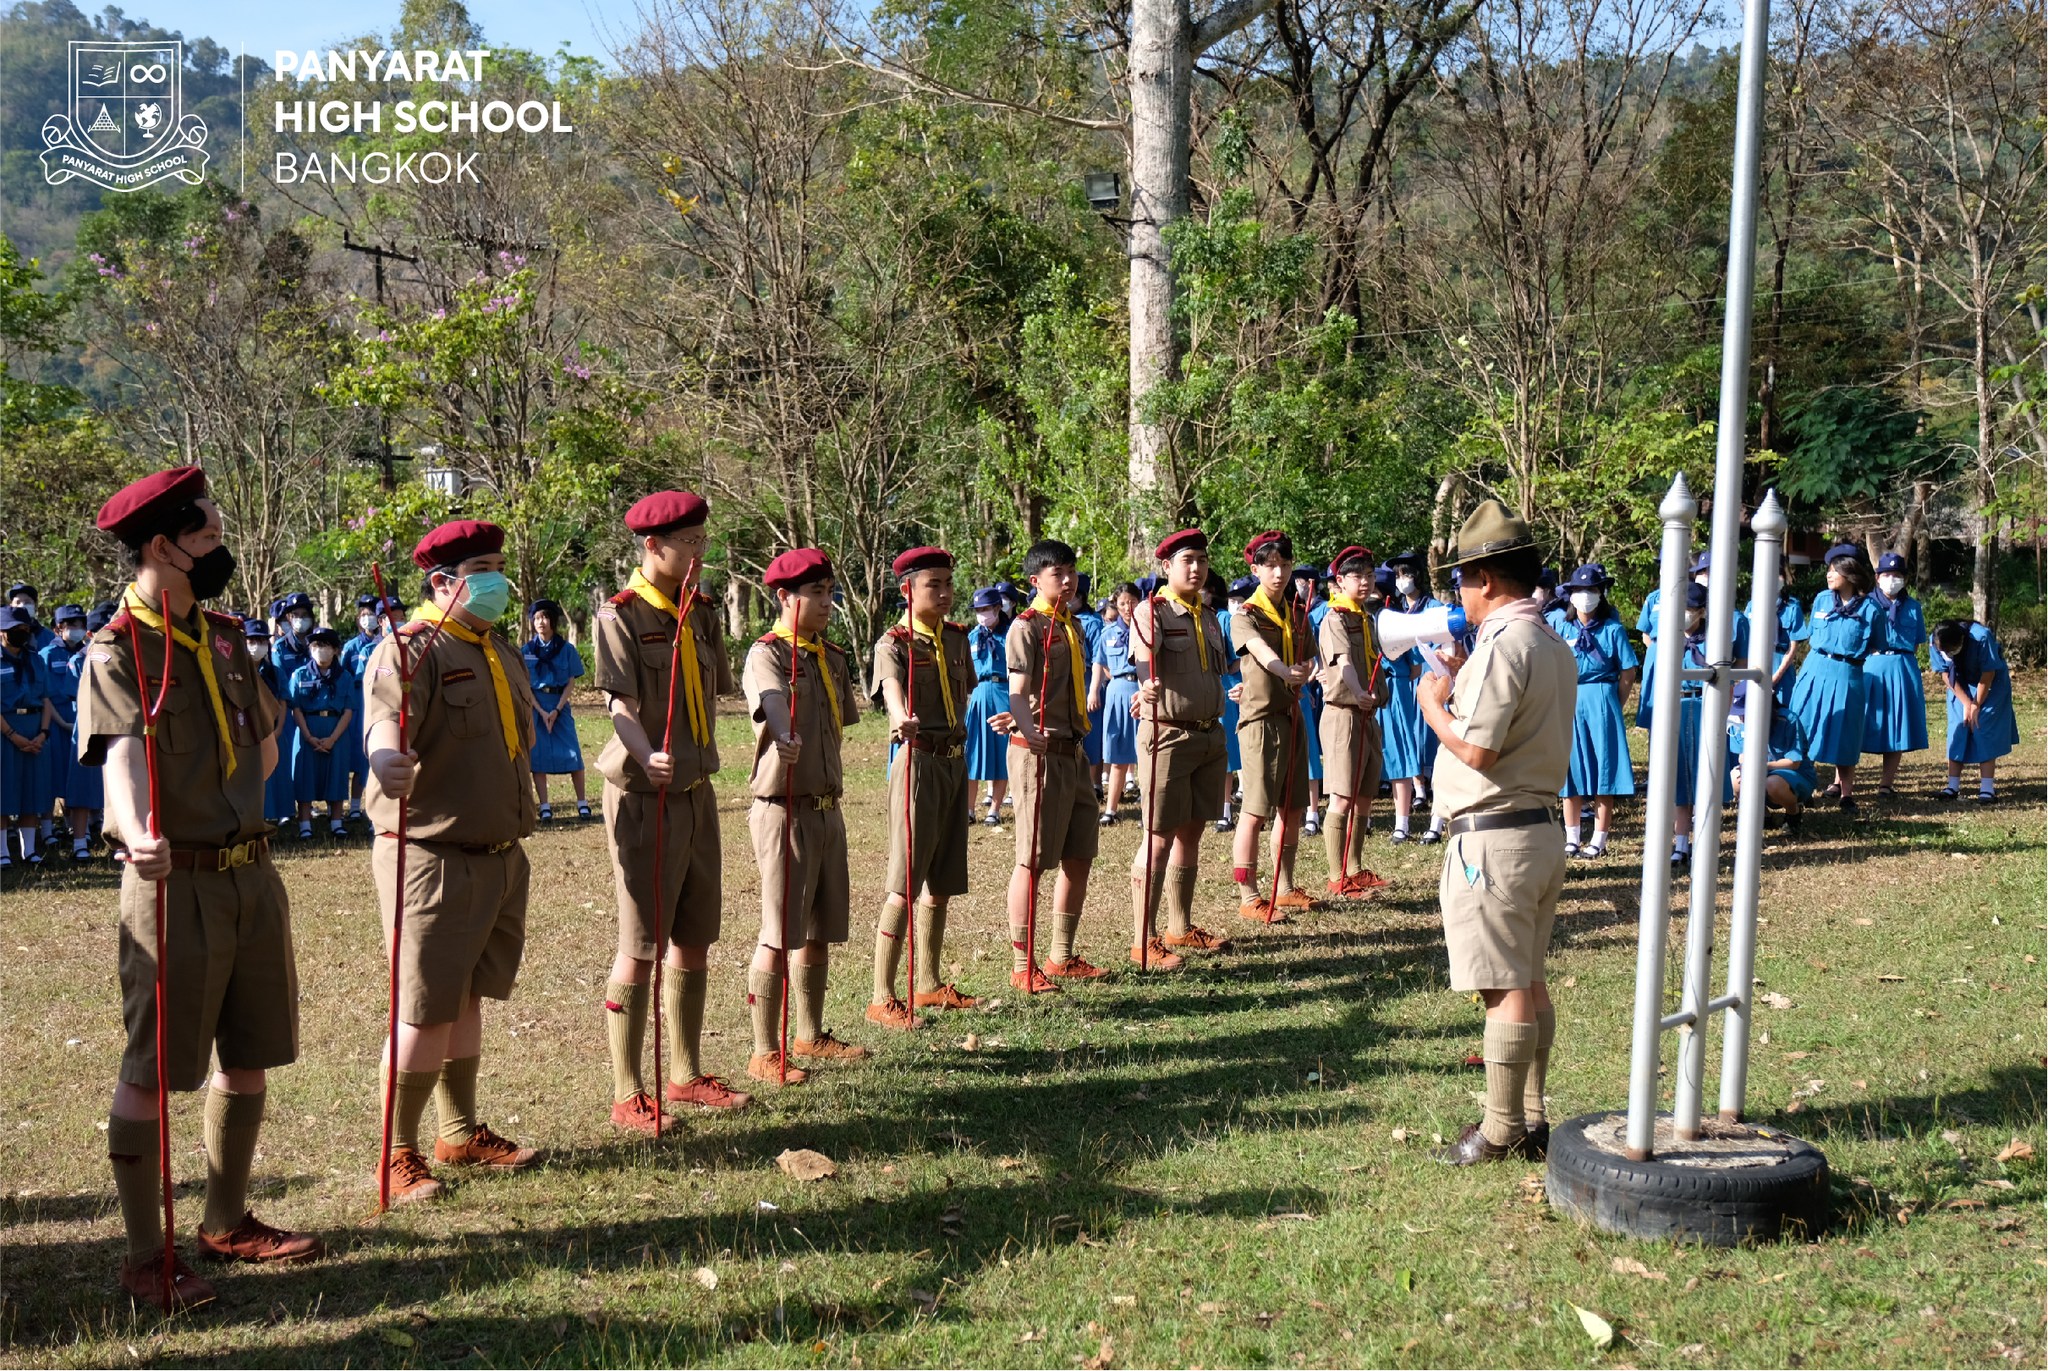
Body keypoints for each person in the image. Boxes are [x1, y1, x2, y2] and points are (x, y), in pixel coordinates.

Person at [81, 465, 320, 1310]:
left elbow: (263, 733)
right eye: (209, 535)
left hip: (250, 872)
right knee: (153, 1070)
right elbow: (120, 756)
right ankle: (148, 1255)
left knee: (249, 1053)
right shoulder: (116, 648)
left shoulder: (222, 637)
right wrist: (138, 828)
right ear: (160, 545)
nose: (221, 547)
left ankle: (226, 1218)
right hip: (172, 877)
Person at [365, 518, 544, 1204]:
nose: (499, 577)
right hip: (431, 857)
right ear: (443, 582)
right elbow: (384, 720)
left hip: (497, 854)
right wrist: (386, 757)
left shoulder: (496, 649)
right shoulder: (411, 651)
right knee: (422, 1011)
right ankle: (396, 1153)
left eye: (500, 563)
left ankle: (460, 1131)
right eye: (483, 566)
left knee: (467, 999)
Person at [1415, 500, 1576, 1166]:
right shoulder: (1549, 641)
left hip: (1493, 837)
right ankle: (1531, 1117)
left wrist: (1433, 705)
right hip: (1536, 827)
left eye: (1463, 578)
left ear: (1486, 577)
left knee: (1503, 987)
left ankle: (1501, 1128)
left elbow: (1477, 750)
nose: (1460, 592)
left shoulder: (1504, 646)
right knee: (1528, 979)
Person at [591, 491, 752, 1130]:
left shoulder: (701, 613)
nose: (698, 554)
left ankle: (684, 1074)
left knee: (693, 935)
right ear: (653, 546)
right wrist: (643, 753)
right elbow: (619, 706)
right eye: (688, 543)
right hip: (642, 795)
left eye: (703, 542)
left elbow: (715, 692)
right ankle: (629, 1090)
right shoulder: (621, 615)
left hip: (694, 790)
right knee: (641, 942)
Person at [741, 548, 868, 1083]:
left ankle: (810, 1034)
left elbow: (845, 721)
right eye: (816, 594)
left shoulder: (831, 656)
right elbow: (771, 698)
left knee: (820, 926)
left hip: (825, 807)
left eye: (829, 593)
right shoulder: (766, 654)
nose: (827, 603)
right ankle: (763, 1049)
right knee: (779, 930)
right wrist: (782, 731)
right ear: (784, 598)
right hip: (783, 809)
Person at [866, 545, 980, 1026]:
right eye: (934, 584)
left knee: (942, 882)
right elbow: (891, 689)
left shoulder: (956, 639)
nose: (945, 593)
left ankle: (929, 983)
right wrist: (900, 718)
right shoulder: (894, 644)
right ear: (906, 589)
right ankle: (882, 995)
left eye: (949, 584)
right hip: (918, 763)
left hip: (956, 763)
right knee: (905, 883)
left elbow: (966, 692)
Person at [1125, 529, 1236, 970]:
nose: (1196, 567)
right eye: (1187, 559)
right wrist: (1144, 686)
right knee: (1158, 837)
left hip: (1209, 735)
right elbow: (1143, 665)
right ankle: (1142, 940)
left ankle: (1179, 926)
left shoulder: (1208, 616)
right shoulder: (1149, 611)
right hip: (1167, 735)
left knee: (1192, 831)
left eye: (1203, 560)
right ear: (1166, 567)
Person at [1004, 540, 1105, 989]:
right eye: (1057, 574)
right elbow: (1017, 689)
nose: (1068, 581)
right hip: (1037, 752)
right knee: (1032, 859)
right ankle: (1022, 964)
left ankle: (1062, 955)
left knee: (1079, 853)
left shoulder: (1074, 627)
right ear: (1035, 582)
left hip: (1073, 751)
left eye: (1071, 572)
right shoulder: (1026, 628)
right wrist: (1026, 726)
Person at [1229, 531, 1319, 921]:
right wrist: (1286, 671)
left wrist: (1305, 672)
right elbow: (1259, 650)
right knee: (1255, 810)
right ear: (1256, 570)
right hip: (1261, 720)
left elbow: (1312, 659)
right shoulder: (1246, 614)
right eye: (1270, 566)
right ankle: (1249, 894)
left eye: (1284, 565)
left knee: (1293, 806)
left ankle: (1283, 886)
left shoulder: (1298, 613)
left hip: (1292, 716)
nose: (1279, 573)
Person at [1316, 547, 1391, 897]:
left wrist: (1376, 694)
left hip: (1367, 714)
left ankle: (1355, 868)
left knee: (1363, 796)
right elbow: (1344, 662)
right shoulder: (1334, 618)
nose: (1365, 582)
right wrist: (1359, 690)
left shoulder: (1367, 617)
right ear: (1339, 581)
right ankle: (1336, 876)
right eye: (1357, 576)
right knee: (1342, 797)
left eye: (1370, 575)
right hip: (1344, 714)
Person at [1788, 543, 1882, 814]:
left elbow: (1877, 643)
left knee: (1846, 732)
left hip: (1848, 673)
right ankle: (1802, 785)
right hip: (1815, 669)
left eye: (1834, 571)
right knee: (1802, 728)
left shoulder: (1870, 610)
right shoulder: (1820, 600)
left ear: (1849, 573)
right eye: (1828, 570)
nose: (1828, 575)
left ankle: (1846, 794)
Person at [1554, 564, 1637, 859]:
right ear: (1571, 595)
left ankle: (1598, 839)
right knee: (1571, 769)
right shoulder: (1561, 628)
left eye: (1591, 590)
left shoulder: (1612, 629)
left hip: (1602, 697)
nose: (1585, 596)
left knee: (1604, 770)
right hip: (1570, 699)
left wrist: (1616, 701)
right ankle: (1572, 836)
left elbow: (1628, 670)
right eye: (1579, 591)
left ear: (1601, 594)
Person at [1379, 549, 1441, 844]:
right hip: (1402, 689)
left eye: (1407, 573)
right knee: (1404, 747)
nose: (1402, 580)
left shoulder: (1434, 608)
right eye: (1398, 575)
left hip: (1431, 682)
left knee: (1433, 746)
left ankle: (1437, 814)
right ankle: (1415, 797)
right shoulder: (1393, 612)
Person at [1930, 618, 2018, 804]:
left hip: (1990, 684)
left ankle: (1987, 789)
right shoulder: (1936, 640)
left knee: (1983, 726)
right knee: (1958, 727)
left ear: (1960, 640)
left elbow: (1989, 673)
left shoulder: (1981, 637)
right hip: (1959, 685)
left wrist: (1976, 704)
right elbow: (1946, 674)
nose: (1946, 653)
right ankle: (1952, 786)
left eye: (1950, 650)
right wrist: (1966, 703)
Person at [1863, 552, 1929, 796]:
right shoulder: (1866, 603)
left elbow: (1916, 643)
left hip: (1902, 667)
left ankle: (1886, 783)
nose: (1892, 579)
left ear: (1905, 579)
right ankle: (1840, 782)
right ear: (1878, 577)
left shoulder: (1913, 607)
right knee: (1858, 722)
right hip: (1871, 666)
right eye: (1887, 574)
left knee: (1897, 725)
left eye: (1898, 575)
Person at [523, 599, 591, 822]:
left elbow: (571, 681)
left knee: (573, 752)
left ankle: (582, 803)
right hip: (537, 706)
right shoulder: (527, 651)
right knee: (538, 755)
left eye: (544, 617)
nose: (540, 622)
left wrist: (557, 709)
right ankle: (545, 807)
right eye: (536, 618)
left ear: (552, 620)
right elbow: (525, 684)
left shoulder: (566, 649)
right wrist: (541, 711)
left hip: (560, 704)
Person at [0, 605, 55, 868]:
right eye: (14, 630)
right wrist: (12, 734)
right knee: (3, 792)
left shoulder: (35, 659)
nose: (20, 634)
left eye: (24, 629)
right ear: (2, 632)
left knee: (31, 792)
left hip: (34, 729)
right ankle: (2, 853)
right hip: (6, 730)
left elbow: (45, 699)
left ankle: (29, 851)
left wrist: (43, 733)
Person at [287, 626, 353, 840]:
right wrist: (307, 736)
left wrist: (333, 738)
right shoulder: (299, 674)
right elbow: (295, 707)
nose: (319, 650)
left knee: (336, 774)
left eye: (324, 646)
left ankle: (336, 821)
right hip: (308, 729)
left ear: (335, 650)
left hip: (336, 730)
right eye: (315, 646)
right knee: (305, 775)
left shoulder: (345, 677)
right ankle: (305, 822)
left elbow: (349, 710)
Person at [43, 604, 96, 861]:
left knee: (83, 778)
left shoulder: (92, 655)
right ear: (58, 628)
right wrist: (61, 722)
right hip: (58, 724)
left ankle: (85, 829)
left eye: (80, 624)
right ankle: (53, 829)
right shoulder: (48, 654)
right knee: (55, 777)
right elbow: (44, 694)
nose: (77, 629)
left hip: (86, 726)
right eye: (70, 625)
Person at [1090, 583, 1142, 826]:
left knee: (1147, 751)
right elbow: (1099, 663)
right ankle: (1111, 809)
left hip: (1141, 690)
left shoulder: (1146, 630)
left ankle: (1148, 807)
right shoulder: (1108, 633)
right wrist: (1093, 692)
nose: (1127, 607)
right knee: (1117, 751)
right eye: (1122, 603)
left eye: (1131, 601)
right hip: (1116, 691)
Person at [1729, 692, 1817, 833]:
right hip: (1760, 771)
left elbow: (1794, 763)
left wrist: (1762, 766)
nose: (1741, 717)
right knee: (1736, 778)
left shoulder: (1788, 719)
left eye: (1745, 712)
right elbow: (1741, 756)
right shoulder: (1738, 723)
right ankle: (1763, 816)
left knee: (1773, 783)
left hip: (1793, 775)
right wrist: (1748, 766)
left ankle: (1793, 813)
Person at [340, 595, 394, 823]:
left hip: (380, 699)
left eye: (371, 613)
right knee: (356, 757)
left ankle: (376, 806)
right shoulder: (351, 647)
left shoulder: (387, 643)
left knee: (377, 753)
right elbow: (342, 676)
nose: (367, 618)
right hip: (356, 705)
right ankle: (353, 806)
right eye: (363, 614)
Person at [964, 588, 1012, 827]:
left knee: (1002, 751)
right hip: (979, 694)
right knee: (972, 752)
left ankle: (995, 808)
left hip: (1004, 691)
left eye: (985, 609)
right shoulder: (972, 637)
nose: (981, 614)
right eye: (977, 610)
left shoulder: (1012, 633)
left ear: (996, 608)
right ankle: (969, 809)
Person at [246, 620, 297, 826]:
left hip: (274, 730)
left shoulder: (275, 672)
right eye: (252, 641)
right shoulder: (238, 672)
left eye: (261, 640)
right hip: (247, 732)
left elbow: (283, 702)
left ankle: (280, 814)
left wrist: (277, 731)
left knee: (277, 773)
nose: (257, 645)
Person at [1295, 565, 1328, 838]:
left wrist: (1311, 678)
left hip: (1314, 688)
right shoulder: (1291, 613)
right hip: (1292, 691)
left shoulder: (1323, 611)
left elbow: (1319, 656)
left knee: (1312, 752)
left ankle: (1313, 813)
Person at [8, 582, 56, 650]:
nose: (22, 606)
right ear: (10, 606)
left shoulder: (49, 637)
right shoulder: (3, 636)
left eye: (27, 602)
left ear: (35, 605)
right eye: (18, 602)